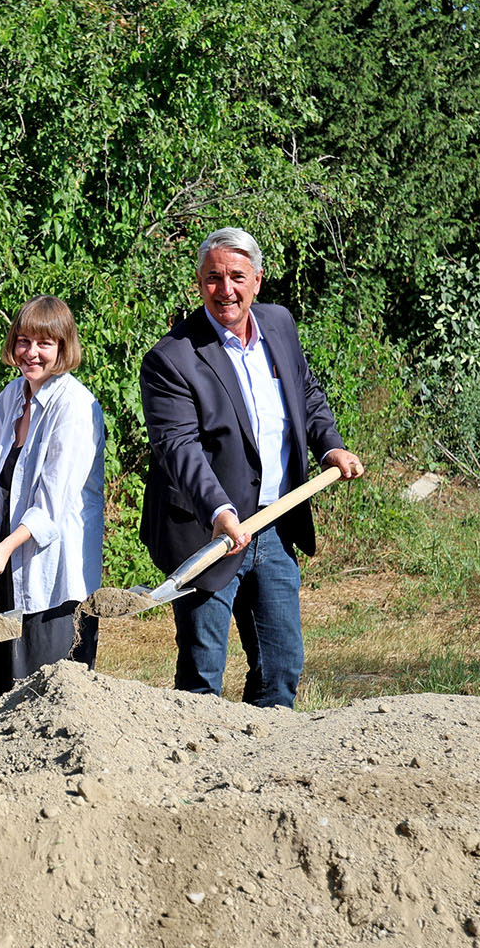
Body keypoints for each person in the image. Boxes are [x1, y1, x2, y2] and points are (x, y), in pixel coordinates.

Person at [139, 228, 364, 705]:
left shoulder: (279, 325)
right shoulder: (171, 358)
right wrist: (219, 511)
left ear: (257, 281)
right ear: (199, 283)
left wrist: (330, 447)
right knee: (203, 672)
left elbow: (305, 394)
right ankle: (195, 767)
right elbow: (178, 448)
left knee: (281, 666)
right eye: (213, 278)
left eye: (237, 277)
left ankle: (265, 770)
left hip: (276, 524)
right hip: (207, 534)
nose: (226, 290)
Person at [0, 296, 107, 700]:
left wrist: (6, 548)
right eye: (23, 341)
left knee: (46, 695)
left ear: (63, 348)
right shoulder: (13, 395)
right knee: (0, 695)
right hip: (9, 564)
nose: (31, 353)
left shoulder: (76, 407)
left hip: (54, 574)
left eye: (44, 344)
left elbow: (53, 502)